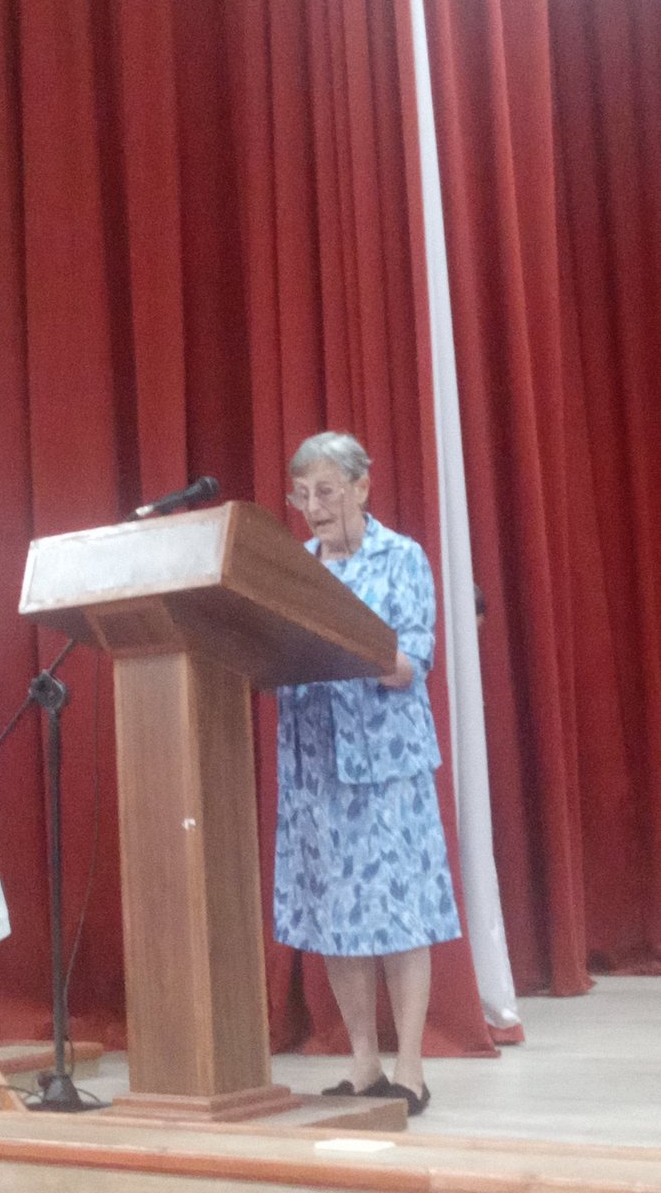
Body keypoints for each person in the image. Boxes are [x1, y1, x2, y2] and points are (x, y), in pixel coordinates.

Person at [275, 431, 461, 1116]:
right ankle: (364, 1063)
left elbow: (413, 659)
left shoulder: (401, 557)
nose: (314, 507)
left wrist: (350, 646)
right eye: (302, 496)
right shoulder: (293, 566)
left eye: (326, 491)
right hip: (315, 762)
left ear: (362, 487)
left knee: (400, 915)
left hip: (388, 765)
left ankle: (410, 1067)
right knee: (336, 916)